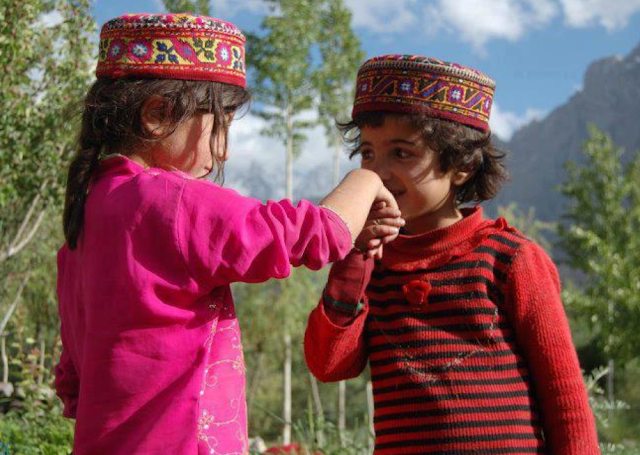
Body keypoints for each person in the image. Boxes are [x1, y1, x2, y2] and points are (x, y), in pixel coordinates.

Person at [53, 14, 403, 455]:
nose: (224, 150)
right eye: (221, 125)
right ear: (158, 115)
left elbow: (72, 381)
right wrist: (368, 178)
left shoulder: (85, 221)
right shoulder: (174, 201)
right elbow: (315, 235)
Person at [304, 54, 600, 455]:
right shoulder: (371, 265)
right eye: (368, 154)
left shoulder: (510, 260)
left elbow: (564, 397)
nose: (378, 174)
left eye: (402, 153)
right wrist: (354, 257)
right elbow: (328, 364)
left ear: (460, 164)